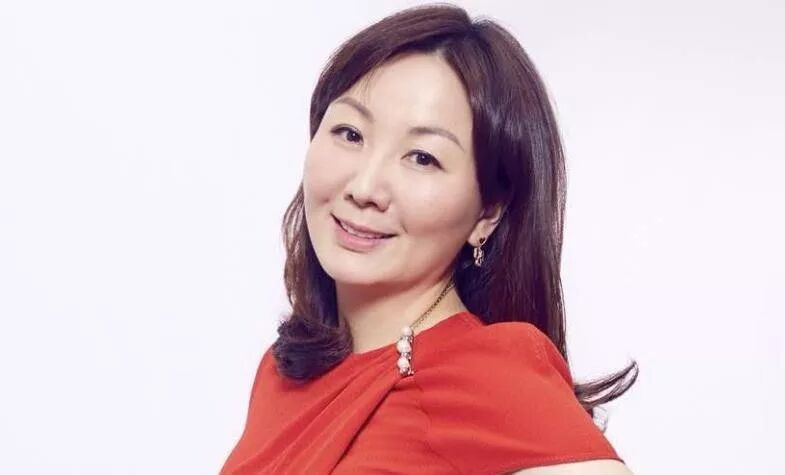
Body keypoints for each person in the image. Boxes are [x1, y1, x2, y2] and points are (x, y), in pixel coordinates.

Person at [220, 3, 638, 474]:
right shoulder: (284, 373)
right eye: (350, 133)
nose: (365, 187)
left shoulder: (484, 373)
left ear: (487, 212)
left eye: (422, 158)